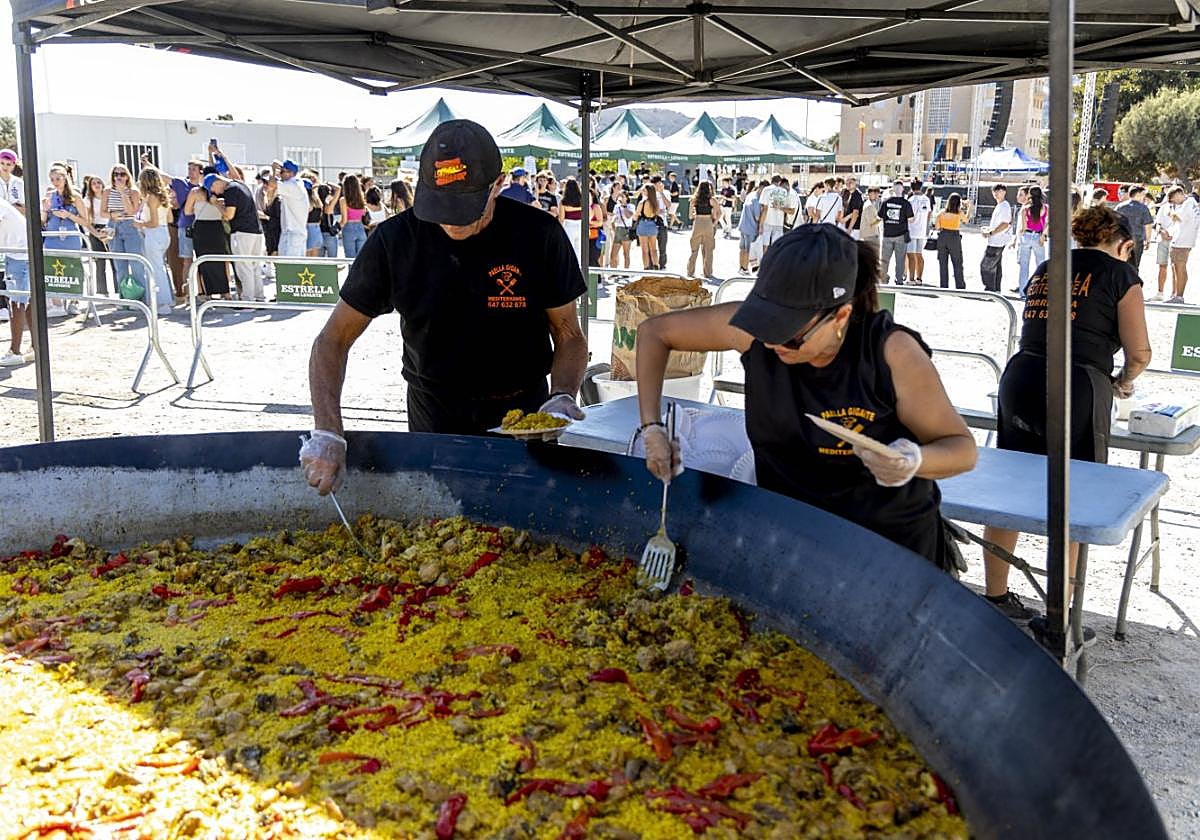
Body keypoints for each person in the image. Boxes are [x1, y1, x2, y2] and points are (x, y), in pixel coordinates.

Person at [634, 225, 976, 571]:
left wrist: (913, 461)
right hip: (792, 539)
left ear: (840, 315)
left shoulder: (892, 353)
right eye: (768, 325)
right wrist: (652, 428)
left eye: (790, 335)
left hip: (889, 552)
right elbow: (654, 333)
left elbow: (962, 449)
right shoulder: (754, 335)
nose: (772, 344)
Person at [303, 119, 589, 493]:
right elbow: (333, 340)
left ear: (497, 185)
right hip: (434, 412)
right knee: (441, 520)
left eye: (465, 207)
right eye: (440, 206)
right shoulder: (395, 240)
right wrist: (327, 431)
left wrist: (562, 395)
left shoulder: (539, 235)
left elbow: (569, 334)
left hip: (525, 412)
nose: (451, 222)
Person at [982, 208, 1152, 620]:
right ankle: (1058, 615)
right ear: (1124, 245)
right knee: (1073, 500)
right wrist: (1124, 382)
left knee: (1011, 489)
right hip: (1076, 385)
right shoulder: (1121, 274)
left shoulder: (1047, 265)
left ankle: (996, 596)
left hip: (1021, 377)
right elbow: (1140, 353)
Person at [204, 172, 265, 302]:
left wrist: (217, 205)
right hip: (256, 231)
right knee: (254, 267)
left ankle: (248, 300)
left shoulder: (230, 190)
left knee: (244, 267)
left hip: (242, 232)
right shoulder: (240, 185)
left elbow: (228, 215)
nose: (215, 192)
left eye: (213, 189)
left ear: (216, 182)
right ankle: (259, 298)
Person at [132, 166, 174, 316]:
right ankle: (165, 300)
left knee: (156, 269)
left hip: (154, 233)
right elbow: (169, 218)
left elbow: (154, 222)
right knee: (159, 267)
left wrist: (140, 224)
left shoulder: (151, 197)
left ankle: (162, 303)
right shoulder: (163, 195)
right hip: (164, 233)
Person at [184, 178, 232, 298]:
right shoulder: (221, 194)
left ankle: (207, 293)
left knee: (204, 261)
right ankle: (224, 292)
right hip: (216, 228)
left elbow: (187, 211)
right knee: (218, 260)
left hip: (202, 228)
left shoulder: (195, 192)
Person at [104, 164, 145, 296]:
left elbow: (132, 211)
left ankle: (140, 297)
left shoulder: (134, 191)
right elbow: (102, 212)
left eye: (122, 174)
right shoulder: (107, 191)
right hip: (114, 225)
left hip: (130, 226)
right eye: (116, 174)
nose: (118, 177)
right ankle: (124, 298)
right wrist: (112, 215)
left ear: (128, 176)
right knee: (119, 265)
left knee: (136, 264)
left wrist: (122, 192)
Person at [166, 159, 204, 301]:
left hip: (202, 227)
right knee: (186, 262)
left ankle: (202, 293)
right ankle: (188, 294)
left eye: (194, 169)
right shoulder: (182, 184)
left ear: (200, 171)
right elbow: (164, 176)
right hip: (184, 227)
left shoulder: (205, 187)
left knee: (202, 261)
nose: (191, 171)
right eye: (189, 168)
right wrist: (147, 164)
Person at [0, 194, 31, 367]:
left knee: (16, 302)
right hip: (22, 253)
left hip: (18, 255)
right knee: (27, 302)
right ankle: (35, 347)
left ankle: (15, 350)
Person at [1165, 185, 1197, 303]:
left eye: (1173, 198)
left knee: (1180, 268)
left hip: (1182, 240)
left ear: (1179, 193)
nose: (1174, 202)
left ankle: (1179, 296)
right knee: (1177, 267)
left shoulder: (1188, 203)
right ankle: (1177, 294)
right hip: (1184, 239)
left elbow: (1178, 218)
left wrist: (1170, 212)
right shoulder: (1190, 202)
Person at [81, 174, 112, 295]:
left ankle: (120, 291)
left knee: (115, 261)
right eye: (93, 183)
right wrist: (96, 234)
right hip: (96, 229)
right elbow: (87, 221)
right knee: (100, 263)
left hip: (109, 228)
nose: (97, 185)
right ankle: (102, 292)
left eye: (99, 182)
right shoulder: (88, 200)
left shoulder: (109, 197)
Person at [1015, 186, 1048, 297]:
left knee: (1024, 266)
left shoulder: (1025, 209)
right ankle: (1041, 290)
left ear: (1030, 195)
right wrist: (1043, 235)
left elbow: (1023, 227)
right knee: (1041, 265)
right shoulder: (1045, 208)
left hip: (1026, 236)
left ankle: (1023, 292)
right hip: (1038, 237)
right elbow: (1048, 224)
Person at [878, 181, 913, 285]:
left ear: (892, 189)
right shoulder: (906, 203)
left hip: (887, 234)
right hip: (901, 235)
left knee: (884, 260)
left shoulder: (886, 202)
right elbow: (911, 219)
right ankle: (899, 280)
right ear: (902, 189)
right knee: (900, 260)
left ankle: (883, 279)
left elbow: (879, 217)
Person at [979, 184, 1013, 292]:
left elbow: (1005, 224)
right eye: (995, 191)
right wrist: (989, 230)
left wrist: (991, 232)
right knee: (996, 266)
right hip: (997, 240)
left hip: (997, 241)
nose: (996, 193)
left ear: (1004, 192)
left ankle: (990, 289)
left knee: (986, 266)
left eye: (999, 191)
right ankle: (996, 289)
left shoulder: (1004, 206)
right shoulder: (1000, 206)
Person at [275, 159, 310, 258]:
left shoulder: (293, 185)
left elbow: (272, 185)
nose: (280, 175)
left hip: (293, 233)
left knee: (290, 268)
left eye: (282, 171)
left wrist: (273, 170)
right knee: (289, 268)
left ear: (290, 173)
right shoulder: (295, 185)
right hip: (293, 232)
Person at [934, 193, 969, 290]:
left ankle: (944, 285)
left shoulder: (941, 213)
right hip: (954, 237)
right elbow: (966, 220)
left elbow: (937, 227)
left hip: (942, 236)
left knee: (943, 263)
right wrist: (970, 208)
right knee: (957, 262)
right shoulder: (959, 213)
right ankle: (960, 285)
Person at [1115, 185, 1153, 273]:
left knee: (1121, 264)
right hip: (1137, 240)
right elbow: (1148, 225)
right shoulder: (1143, 208)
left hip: (1121, 240)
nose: (1144, 196)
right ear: (1138, 194)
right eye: (1143, 194)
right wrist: (1148, 240)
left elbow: (1114, 223)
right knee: (1134, 265)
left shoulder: (1120, 207)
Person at [686, 181, 720, 279]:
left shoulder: (694, 199)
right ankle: (707, 272)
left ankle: (690, 271)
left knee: (694, 249)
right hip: (708, 222)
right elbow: (719, 212)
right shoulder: (712, 200)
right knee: (709, 249)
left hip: (697, 222)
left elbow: (690, 216)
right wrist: (714, 222)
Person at [905, 180, 931, 285]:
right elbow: (929, 214)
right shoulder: (927, 199)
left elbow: (908, 216)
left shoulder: (911, 200)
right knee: (919, 255)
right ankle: (919, 278)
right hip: (922, 231)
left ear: (911, 188)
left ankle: (911, 279)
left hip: (911, 230)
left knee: (911, 255)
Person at [738, 180, 767, 274]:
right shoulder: (757, 200)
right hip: (751, 228)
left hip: (743, 226)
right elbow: (757, 217)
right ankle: (745, 269)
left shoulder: (751, 194)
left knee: (742, 248)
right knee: (748, 250)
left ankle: (741, 267)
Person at [339, 175, 368, 259]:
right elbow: (363, 214)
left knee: (350, 259)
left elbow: (344, 220)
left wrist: (336, 228)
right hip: (360, 228)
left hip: (349, 229)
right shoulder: (361, 199)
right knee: (360, 260)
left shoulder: (343, 200)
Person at [606, 186, 634, 270]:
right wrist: (613, 225)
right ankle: (614, 272)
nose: (621, 197)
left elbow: (628, 216)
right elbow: (615, 217)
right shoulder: (616, 206)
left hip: (626, 230)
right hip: (618, 230)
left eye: (623, 196)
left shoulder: (630, 206)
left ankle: (626, 272)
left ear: (627, 197)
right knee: (613, 254)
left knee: (626, 253)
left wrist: (624, 206)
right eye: (620, 196)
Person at [634, 184, 660, 270]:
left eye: (644, 190)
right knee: (654, 249)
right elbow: (657, 213)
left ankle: (646, 268)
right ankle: (656, 266)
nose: (643, 192)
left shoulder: (642, 202)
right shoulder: (656, 202)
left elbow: (636, 215)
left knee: (644, 250)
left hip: (643, 225)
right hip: (652, 224)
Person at [587, 187, 605, 266]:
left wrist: (589, 223)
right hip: (583, 237)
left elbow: (600, 222)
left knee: (593, 260)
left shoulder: (595, 207)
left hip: (594, 237)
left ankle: (597, 278)